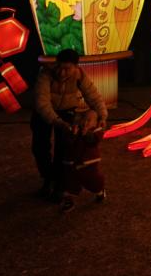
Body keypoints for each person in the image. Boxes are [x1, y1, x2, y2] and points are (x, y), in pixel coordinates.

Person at [32, 49, 107, 205]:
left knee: (63, 149)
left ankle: (60, 185)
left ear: (76, 67)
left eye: (67, 68)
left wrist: (102, 116)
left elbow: (94, 97)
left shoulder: (79, 75)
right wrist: (58, 122)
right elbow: (42, 103)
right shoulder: (45, 74)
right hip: (44, 114)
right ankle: (48, 178)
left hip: (66, 111)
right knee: (40, 147)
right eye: (60, 67)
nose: (62, 72)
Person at [58, 109, 106, 212]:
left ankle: (99, 191)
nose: (85, 122)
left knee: (93, 181)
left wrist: (87, 134)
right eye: (84, 119)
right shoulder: (76, 129)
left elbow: (93, 141)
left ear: (96, 123)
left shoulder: (97, 132)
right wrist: (73, 134)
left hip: (88, 164)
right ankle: (68, 201)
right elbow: (68, 143)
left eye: (89, 120)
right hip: (73, 163)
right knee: (69, 183)